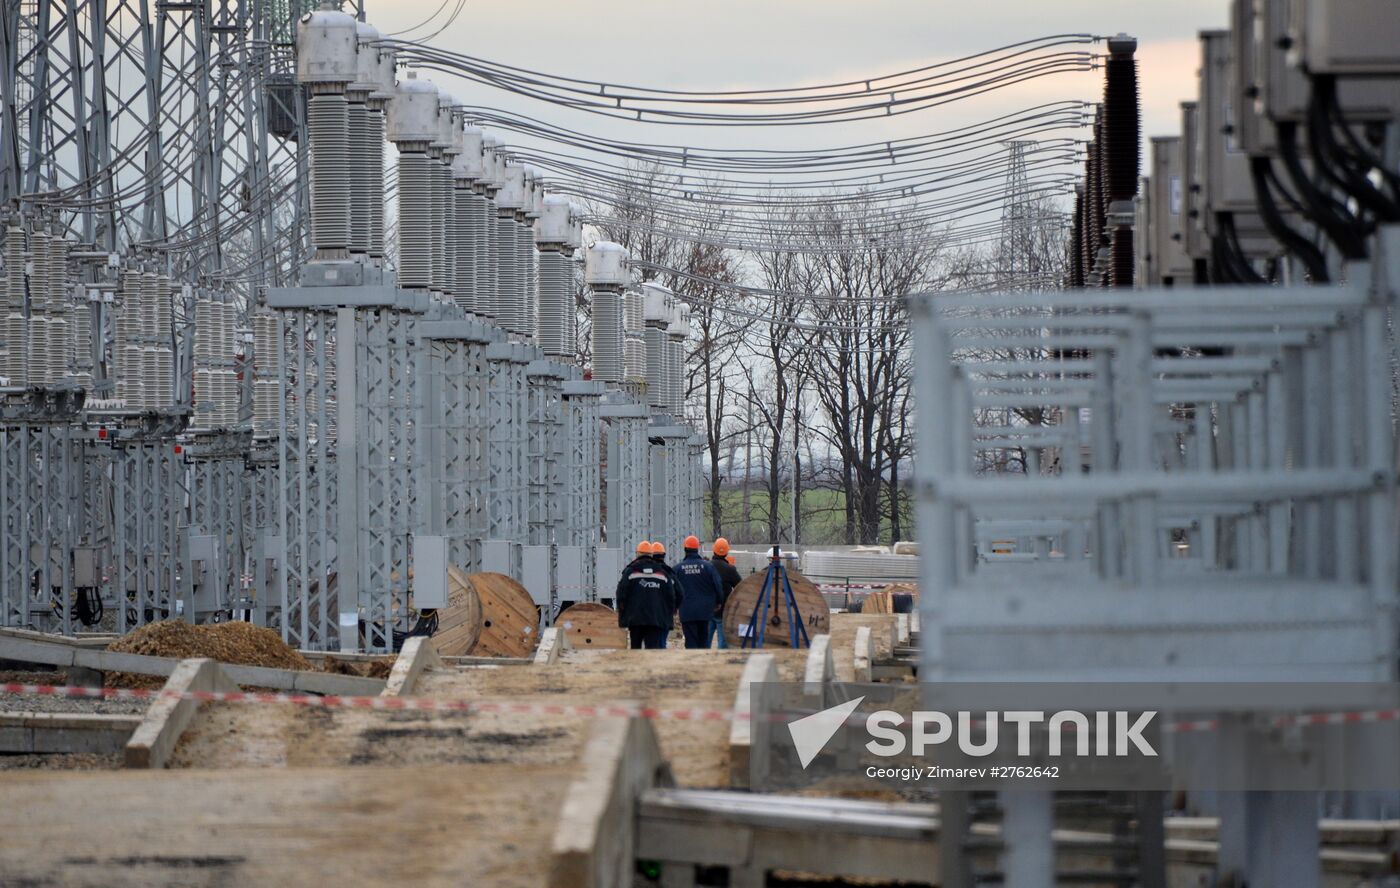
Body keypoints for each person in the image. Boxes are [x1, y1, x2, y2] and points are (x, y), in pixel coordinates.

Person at [615, 540, 672, 649]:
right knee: (652, 649)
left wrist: (623, 613)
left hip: (635, 619)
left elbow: (621, 593)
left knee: (635, 648)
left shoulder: (631, 571)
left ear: (638, 554)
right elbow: (670, 595)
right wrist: (666, 613)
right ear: (651, 554)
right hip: (655, 619)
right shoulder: (661, 572)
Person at [674, 535, 724, 649]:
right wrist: (719, 602)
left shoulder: (678, 569)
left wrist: (674, 606)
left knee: (691, 642)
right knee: (703, 642)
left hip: (687, 612)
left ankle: (692, 660)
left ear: (685, 549)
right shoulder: (708, 567)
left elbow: (673, 590)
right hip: (705, 612)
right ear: (697, 548)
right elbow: (718, 586)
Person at [709, 537, 742, 649]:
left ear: (714, 550)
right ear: (727, 552)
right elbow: (740, 586)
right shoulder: (730, 569)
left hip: (707, 610)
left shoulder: (707, 566)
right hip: (723, 611)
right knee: (722, 645)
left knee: (704, 643)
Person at [648, 541, 680, 648]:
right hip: (666, 613)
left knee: (651, 643)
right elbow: (679, 592)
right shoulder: (669, 572)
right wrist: (674, 608)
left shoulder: (646, 572)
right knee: (662, 642)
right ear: (664, 556)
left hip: (650, 614)